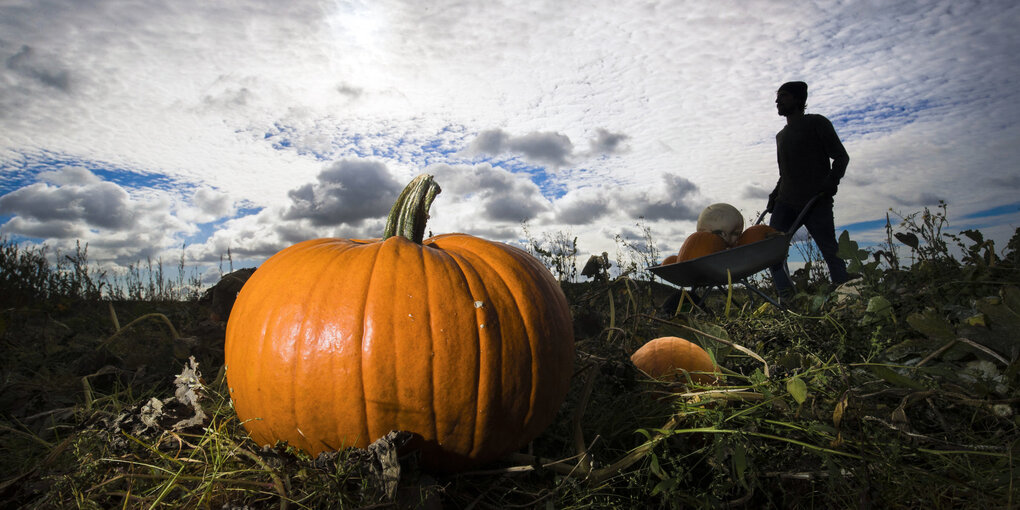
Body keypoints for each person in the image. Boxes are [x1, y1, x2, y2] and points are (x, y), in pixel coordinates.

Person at [767, 81, 850, 298]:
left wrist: (831, 182)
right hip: (785, 202)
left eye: (783, 96)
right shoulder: (781, 136)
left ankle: (844, 296)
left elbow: (841, 156)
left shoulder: (816, 123)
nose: (777, 101)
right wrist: (775, 194)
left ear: (797, 99)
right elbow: (785, 172)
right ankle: (787, 298)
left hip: (815, 199)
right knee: (771, 252)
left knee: (830, 251)